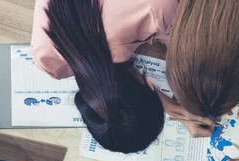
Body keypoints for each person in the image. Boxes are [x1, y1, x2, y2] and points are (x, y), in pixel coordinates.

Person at [31, 0, 214, 153]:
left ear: (149, 83)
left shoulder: (157, 9)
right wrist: (177, 109)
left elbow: (178, 33)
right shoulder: (48, 60)